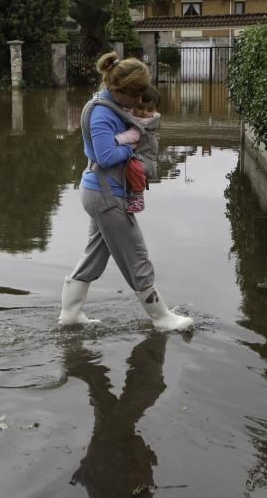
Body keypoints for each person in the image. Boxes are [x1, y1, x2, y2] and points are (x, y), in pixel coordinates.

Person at [57, 52, 193, 332]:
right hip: (107, 194)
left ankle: (70, 315)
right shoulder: (103, 113)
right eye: (137, 94)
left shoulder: (107, 105)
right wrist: (132, 144)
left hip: (99, 191)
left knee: (95, 255)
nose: (140, 100)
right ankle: (162, 318)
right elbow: (106, 156)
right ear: (121, 92)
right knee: (136, 255)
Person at [114, 86, 161, 214]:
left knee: (133, 167)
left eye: (150, 109)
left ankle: (139, 197)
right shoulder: (136, 117)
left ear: (155, 110)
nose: (145, 113)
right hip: (140, 157)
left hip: (146, 162)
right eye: (140, 108)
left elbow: (132, 135)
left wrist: (116, 140)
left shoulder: (144, 124)